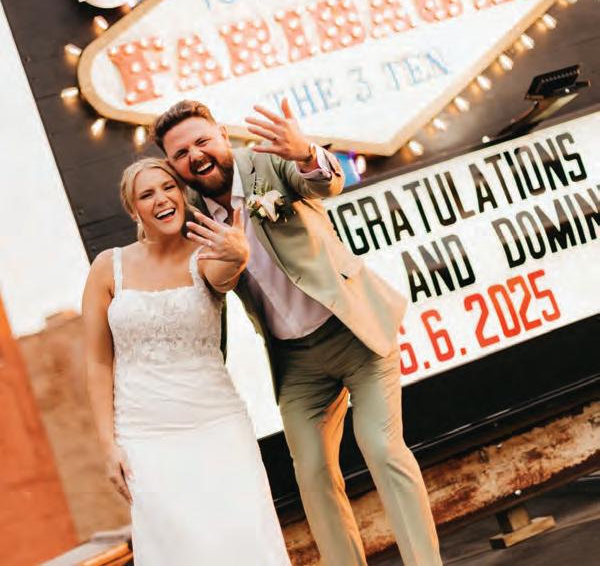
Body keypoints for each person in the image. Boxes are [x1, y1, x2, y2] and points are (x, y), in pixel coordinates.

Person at [152, 99, 443, 566]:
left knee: (382, 447)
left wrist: (306, 153)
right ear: (173, 164)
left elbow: (326, 182)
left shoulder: (268, 162)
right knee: (311, 474)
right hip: (296, 362)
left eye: (202, 141)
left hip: (354, 332)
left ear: (223, 135)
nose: (196, 156)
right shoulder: (191, 217)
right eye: (181, 153)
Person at [82, 157, 291, 566]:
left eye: (168, 188)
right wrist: (108, 446)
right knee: (179, 549)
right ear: (134, 211)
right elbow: (97, 362)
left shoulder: (205, 255)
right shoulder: (108, 268)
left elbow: (225, 275)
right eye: (147, 194)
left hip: (216, 425)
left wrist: (238, 253)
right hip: (144, 436)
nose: (161, 199)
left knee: (244, 537)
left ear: (182, 195)